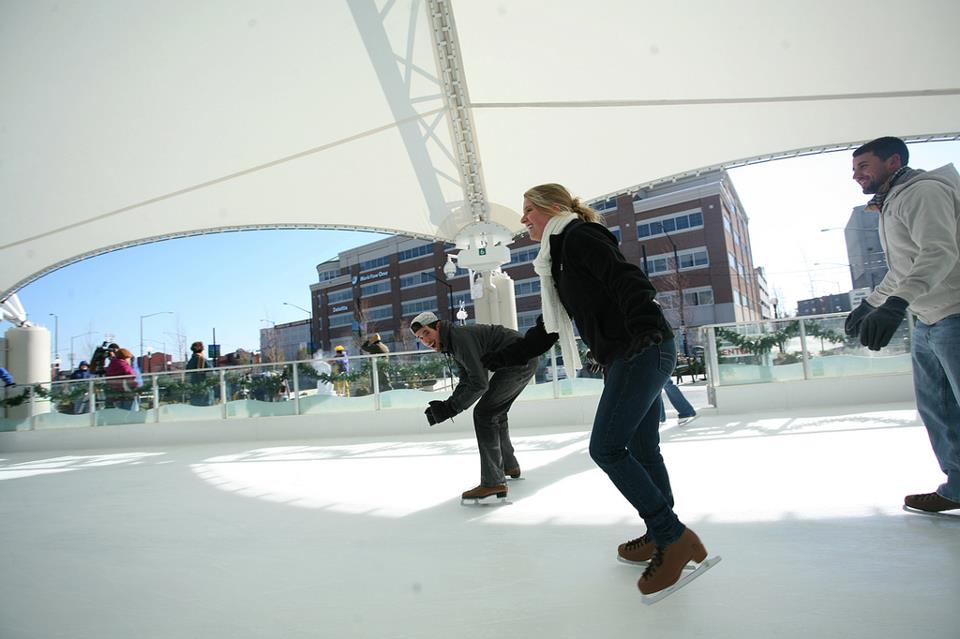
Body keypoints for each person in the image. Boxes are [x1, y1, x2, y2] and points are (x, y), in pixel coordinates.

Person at [484, 183, 712, 597]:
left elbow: (626, 278)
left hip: (641, 347)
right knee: (643, 451)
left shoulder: (579, 237)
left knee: (606, 448)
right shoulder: (557, 256)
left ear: (552, 208)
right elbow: (548, 326)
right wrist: (504, 356)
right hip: (634, 351)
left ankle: (672, 536)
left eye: (527, 210)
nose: (522, 220)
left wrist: (642, 326)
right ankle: (663, 532)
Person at [845, 136, 960, 514]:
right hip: (929, 318)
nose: (856, 175)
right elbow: (903, 269)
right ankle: (959, 486)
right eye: (855, 168)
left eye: (864, 166)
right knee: (938, 410)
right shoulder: (895, 201)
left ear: (893, 161)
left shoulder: (922, 193)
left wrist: (895, 305)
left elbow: (939, 252)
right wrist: (871, 303)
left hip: (955, 313)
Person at [410, 310, 546, 501]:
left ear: (438, 326)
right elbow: (467, 379)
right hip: (520, 359)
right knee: (495, 412)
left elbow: (479, 383)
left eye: (426, 333)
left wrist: (451, 408)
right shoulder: (453, 342)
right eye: (419, 338)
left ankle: (494, 482)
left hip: (519, 359)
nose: (425, 340)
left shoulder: (459, 339)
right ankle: (509, 465)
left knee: (484, 414)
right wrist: (448, 404)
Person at [185, 341, 214, 406]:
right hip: (204, 388)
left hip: (194, 388)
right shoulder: (201, 358)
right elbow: (212, 373)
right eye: (201, 345)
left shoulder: (191, 361)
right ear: (197, 347)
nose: (203, 347)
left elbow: (187, 373)